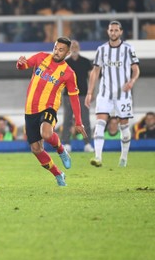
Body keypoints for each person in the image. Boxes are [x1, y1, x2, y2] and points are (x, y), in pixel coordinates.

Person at [16, 36, 87, 186]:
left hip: (48, 107)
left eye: (61, 50)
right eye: (55, 48)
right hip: (30, 109)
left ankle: (61, 150)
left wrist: (79, 121)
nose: (56, 51)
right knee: (36, 149)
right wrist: (20, 63)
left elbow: (74, 98)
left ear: (67, 53)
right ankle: (58, 174)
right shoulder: (41, 57)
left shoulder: (68, 73)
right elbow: (24, 66)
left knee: (46, 134)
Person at [85, 20, 140, 167]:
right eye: (111, 30)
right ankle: (97, 157)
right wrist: (90, 92)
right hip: (105, 93)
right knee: (99, 123)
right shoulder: (101, 50)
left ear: (121, 32)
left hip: (123, 94)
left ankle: (123, 157)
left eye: (116, 30)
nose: (113, 33)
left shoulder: (128, 49)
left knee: (124, 127)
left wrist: (132, 81)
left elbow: (135, 69)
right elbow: (95, 72)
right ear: (108, 32)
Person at [61, 40, 94, 152]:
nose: (74, 48)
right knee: (67, 119)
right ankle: (66, 143)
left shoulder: (86, 62)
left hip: (83, 95)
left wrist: (91, 92)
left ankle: (87, 143)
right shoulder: (65, 63)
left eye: (76, 46)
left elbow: (91, 78)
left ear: (79, 48)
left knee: (85, 120)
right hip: (68, 96)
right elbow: (60, 80)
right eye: (72, 46)